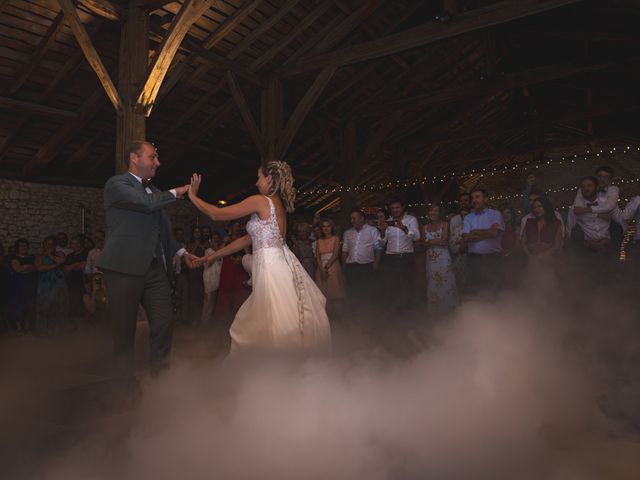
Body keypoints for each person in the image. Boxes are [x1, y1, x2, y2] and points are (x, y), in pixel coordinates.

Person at [189, 161, 331, 353]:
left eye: (259, 178)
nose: (256, 183)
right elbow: (247, 239)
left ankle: (275, 370)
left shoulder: (261, 201)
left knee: (271, 324)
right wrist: (213, 256)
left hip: (270, 269)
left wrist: (192, 196)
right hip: (278, 265)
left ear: (269, 179)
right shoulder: (276, 205)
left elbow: (216, 214)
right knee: (274, 322)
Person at [97, 141, 193, 379]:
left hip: (153, 269)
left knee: (164, 322)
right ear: (134, 158)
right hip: (122, 268)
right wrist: (175, 192)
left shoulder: (154, 191)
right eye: (153, 157)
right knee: (124, 332)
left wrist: (182, 253)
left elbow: (163, 228)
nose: (157, 163)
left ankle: (160, 379)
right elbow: (144, 204)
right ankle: (124, 388)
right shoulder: (116, 184)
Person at [378, 198, 420, 312]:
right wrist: (382, 231)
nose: (395, 210)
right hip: (390, 260)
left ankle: (409, 315)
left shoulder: (411, 220)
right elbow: (381, 244)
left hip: (406, 258)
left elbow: (416, 237)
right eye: (392, 208)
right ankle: (395, 317)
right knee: (392, 288)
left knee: (408, 287)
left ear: (403, 207)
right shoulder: (388, 222)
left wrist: (404, 228)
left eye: (397, 207)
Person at [461, 188, 504, 294]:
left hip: (493, 259)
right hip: (474, 260)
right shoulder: (468, 218)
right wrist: (488, 232)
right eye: (472, 198)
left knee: (495, 292)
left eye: (477, 197)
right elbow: (466, 238)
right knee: (476, 292)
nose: (474, 200)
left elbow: (495, 233)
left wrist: (475, 232)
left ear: (486, 199)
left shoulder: (495, 214)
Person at [422, 205, 458, 316]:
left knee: (446, 281)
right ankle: (435, 312)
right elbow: (424, 243)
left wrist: (430, 241)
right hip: (430, 259)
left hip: (443, 257)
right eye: (431, 210)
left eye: (436, 210)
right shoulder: (424, 227)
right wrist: (436, 241)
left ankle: (450, 311)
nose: (433, 212)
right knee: (433, 283)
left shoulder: (445, 224)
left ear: (439, 213)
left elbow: (444, 240)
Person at [342, 208, 380, 310]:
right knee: (353, 292)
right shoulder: (348, 233)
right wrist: (344, 267)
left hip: (367, 267)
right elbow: (344, 250)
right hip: (351, 267)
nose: (352, 220)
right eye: (351, 218)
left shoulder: (373, 231)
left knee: (367, 292)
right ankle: (355, 315)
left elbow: (378, 249)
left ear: (362, 218)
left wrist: (375, 265)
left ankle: (368, 314)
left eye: (354, 218)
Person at [35, 236, 69, 336]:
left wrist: (50, 256)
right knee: (44, 307)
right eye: (47, 244)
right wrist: (55, 265)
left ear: (55, 245)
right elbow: (40, 268)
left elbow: (62, 261)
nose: (50, 246)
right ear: (44, 245)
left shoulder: (60, 253)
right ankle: (44, 331)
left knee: (60, 306)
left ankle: (60, 330)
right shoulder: (39, 256)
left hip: (59, 284)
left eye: (51, 244)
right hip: (45, 285)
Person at [314, 219, 345, 316]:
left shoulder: (336, 238)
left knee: (335, 292)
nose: (326, 228)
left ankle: (339, 317)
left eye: (328, 226)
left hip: (333, 266)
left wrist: (326, 267)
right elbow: (317, 256)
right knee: (323, 293)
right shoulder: (319, 241)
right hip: (321, 268)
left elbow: (335, 254)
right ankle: (327, 316)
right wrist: (321, 269)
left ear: (331, 227)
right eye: (324, 226)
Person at [7, 238, 37, 335]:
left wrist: (24, 267)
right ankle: (19, 328)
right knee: (18, 306)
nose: (23, 247)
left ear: (28, 247)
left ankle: (27, 328)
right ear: (17, 248)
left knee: (29, 306)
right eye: (21, 246)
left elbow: (36, 268)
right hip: (18, 285)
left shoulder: (32, 257)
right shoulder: (13, 258)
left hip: (30, 285)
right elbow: (18, 269)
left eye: (25, 245)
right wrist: (27, 267)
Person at [521, 197, 563, 262]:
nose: (536, 209)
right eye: (534, 207)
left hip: (548, 258)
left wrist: (542, 256)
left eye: (539, 206)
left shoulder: (555, 224)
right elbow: (523, 242)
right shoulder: (529, 222)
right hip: (530, 257)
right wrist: (530, 257)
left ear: (546, 207)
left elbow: (557, 245)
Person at [448, 192, 471, 292]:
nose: (463, 203)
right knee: (461, 283)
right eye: (461, 201)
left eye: (466, 200)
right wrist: (457, 249)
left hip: (473, 254)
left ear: (470, 201)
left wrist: (465, 243)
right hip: (458, 255)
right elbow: (451, 237)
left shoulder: (475, 216)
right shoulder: (454, 219)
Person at [64, 234, 88, 327]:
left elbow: (83, 266)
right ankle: (74, 327)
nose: (75, 245)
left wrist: (72, 266)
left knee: (83, 305)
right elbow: (65, 269)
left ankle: (84, 327)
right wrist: (75, 264)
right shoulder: (69, 256)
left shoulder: (86, 253)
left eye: (77, 243)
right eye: (73, 243)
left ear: (81, 244)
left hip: (82, 283)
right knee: (72, 305)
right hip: (71, 284)